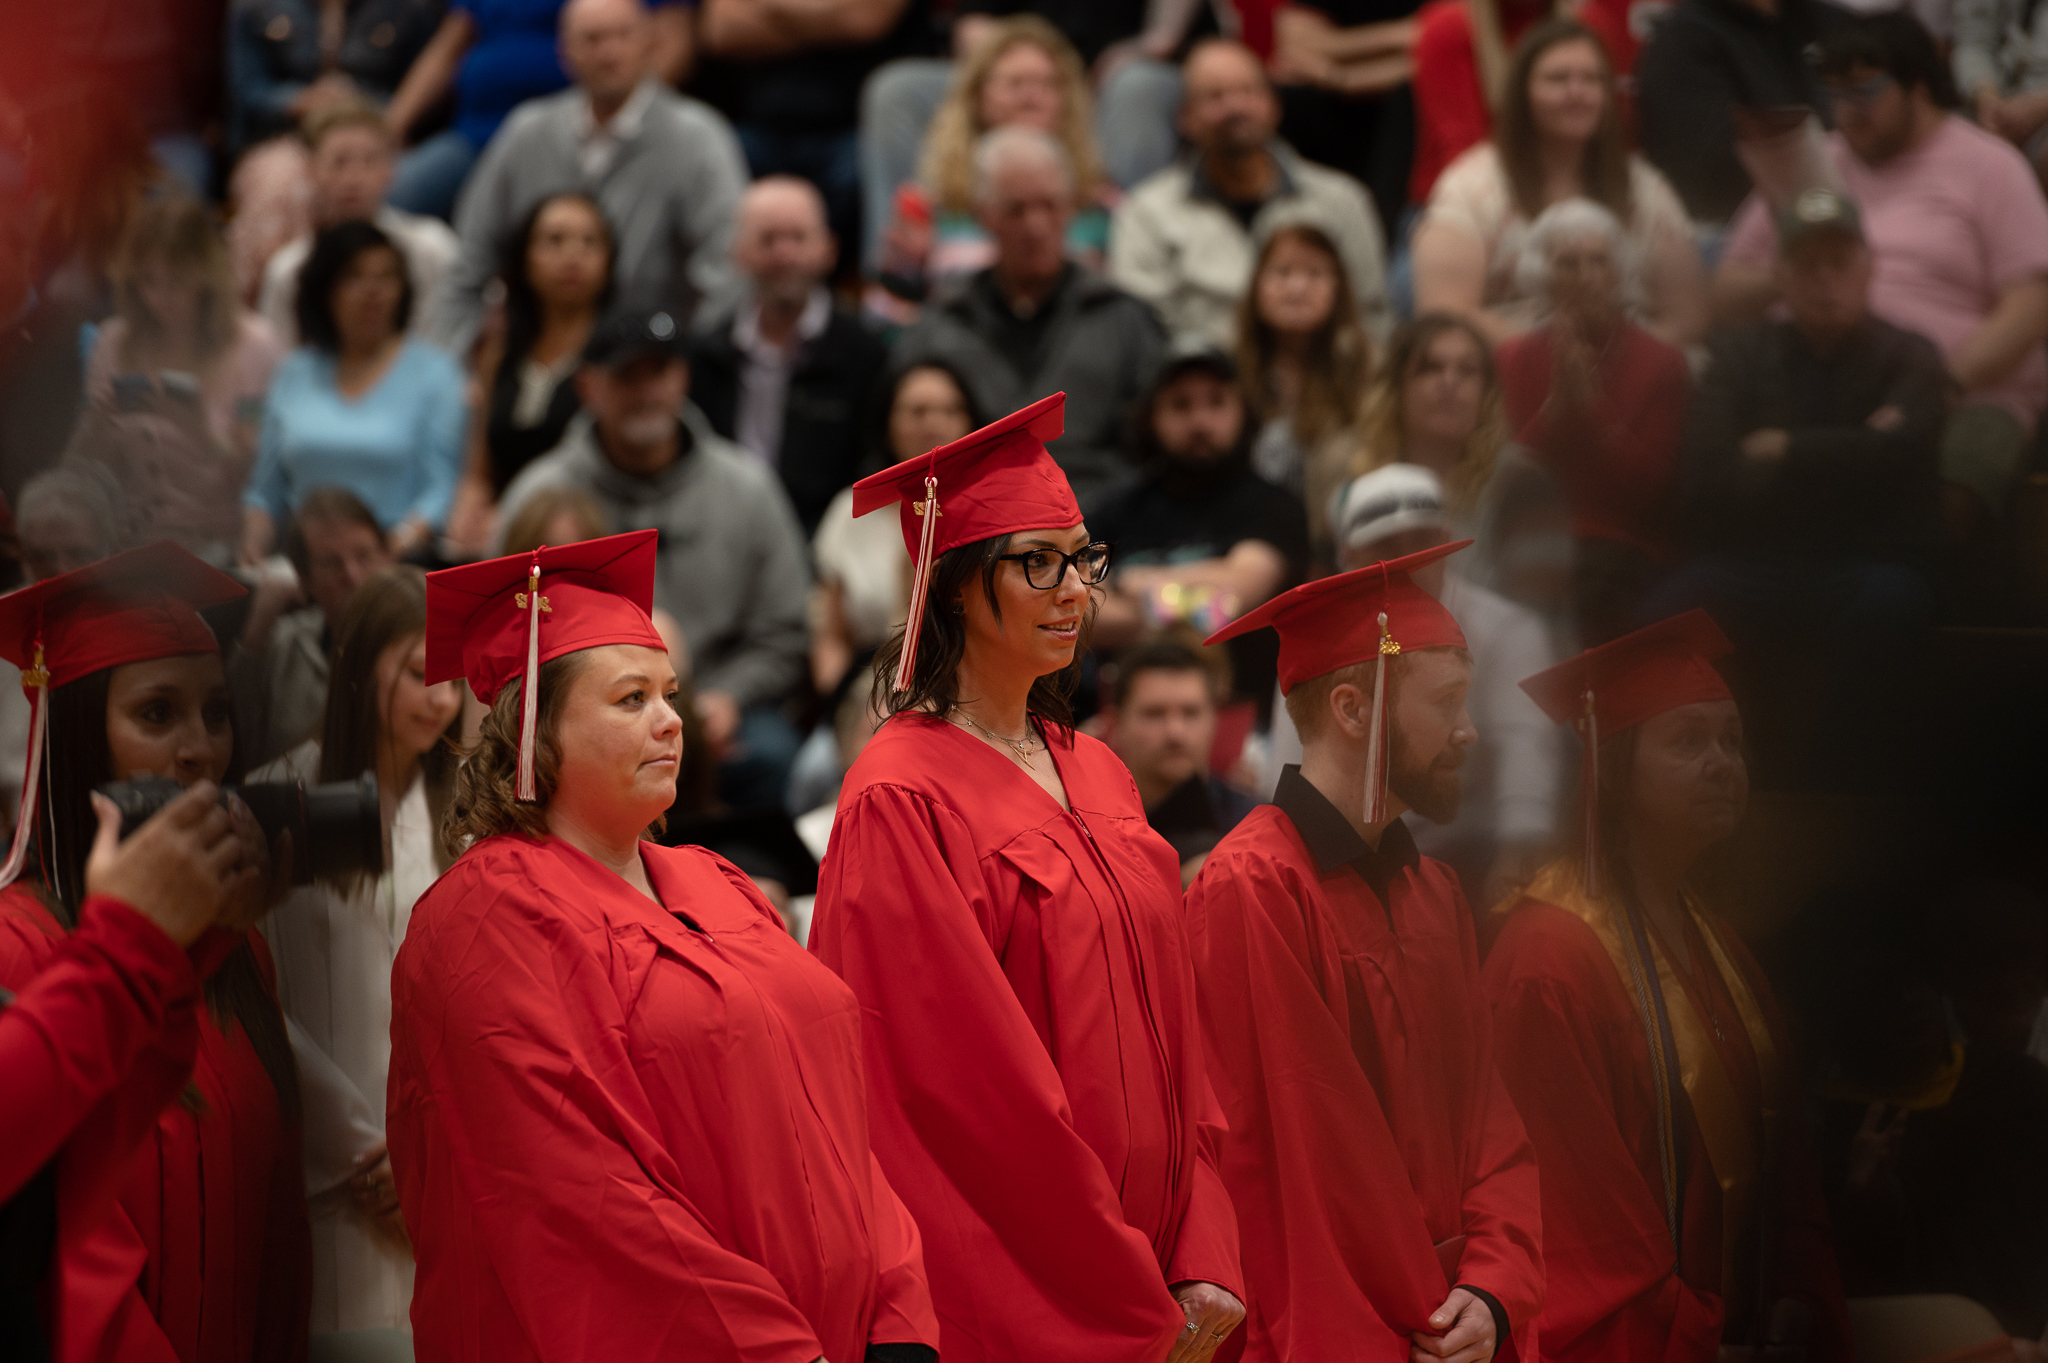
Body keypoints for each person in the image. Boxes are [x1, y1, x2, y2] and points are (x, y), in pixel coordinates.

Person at [388, 529, 939, 1360]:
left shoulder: (716, 879)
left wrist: (900, 1316)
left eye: (672, 694)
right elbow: (580, 1198)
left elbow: (841, 1119)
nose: (671, 720)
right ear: (534, 733)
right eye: (631, 699)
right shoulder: (483, 921)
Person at [811, 392, 1247, 1362]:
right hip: (1024, 1295)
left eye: (1082, 559)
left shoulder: (1098, 768)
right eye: (1035, 562)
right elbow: (964, 1097)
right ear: (959, 586)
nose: (1072, 591)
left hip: (1167, 1284)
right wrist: (1121, 1281)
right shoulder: (900, 797)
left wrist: (1204, 1243)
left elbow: (1184, 1035)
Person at [1189, 542, 1544, 1362]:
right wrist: (1424, 1318)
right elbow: (1304, 1173)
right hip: (1343, 1334)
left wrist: (1491, 1289)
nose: (1470, 729)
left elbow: (1492, 1120)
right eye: (1448, 701)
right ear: (1354, 708)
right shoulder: (1254, 889)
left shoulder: (1435, 893)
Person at [1486, 611, 1854, 1361]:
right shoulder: (1548, 959)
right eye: (1689, 741)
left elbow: (1785, 1166)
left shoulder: (1716, 942)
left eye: (1731, 739)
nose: (1723, 762)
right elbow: (1581, 1227)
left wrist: (1795, 1298)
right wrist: (1698, 1337)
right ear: (1613, 768)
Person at [0, 541, 309, 1362]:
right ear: (75, 741)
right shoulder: (21, 952)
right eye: (157, 713)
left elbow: (277, 1236)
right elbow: (65, 1256)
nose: (200, 749)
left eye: (215, 712)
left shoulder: (234, 951)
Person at [1717, 11, 2048, 535]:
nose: (1847, 112)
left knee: (1942, 500)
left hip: (1965, 391)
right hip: (1822, 383)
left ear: (1916, 84)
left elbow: (2030, 308)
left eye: (1864, 91)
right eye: (1834, 94)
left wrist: (1935, 386)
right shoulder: (1811, 165)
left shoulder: (1989, 165)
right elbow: (1725, 294)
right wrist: (1794, 271)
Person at [1669, 187, 1944, 782]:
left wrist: (1783, 448)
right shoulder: (1739, 353)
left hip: (1865, 565)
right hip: (1753, 560)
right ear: (1780, 279)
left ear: (1869, 270)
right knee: (1663, 612)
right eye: (1806, 265)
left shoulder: (1911, 357)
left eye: (1839, 264)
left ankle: (1826, 788)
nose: (1824, 280)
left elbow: (1902, 461)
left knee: (1894, 602)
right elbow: (1707, 477)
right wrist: (1853, 455)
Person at [495, 307, 811, 811]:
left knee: (771, 755)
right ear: (587, 386)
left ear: (682, 377)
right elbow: (504, 640)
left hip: (720, 700)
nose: (646, 392)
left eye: (659, 372)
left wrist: (726, 697)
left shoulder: (745, 488)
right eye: (626, 376)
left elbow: (785, 631)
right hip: (582, 713)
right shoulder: (543, 497)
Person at [255, 564, 459, 1338]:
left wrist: (422, 1156)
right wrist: (361, 1148)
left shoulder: (467, 817)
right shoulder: (278, 797)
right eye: (417, 673)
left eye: (451, 679)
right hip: (327, 1164)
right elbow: (260, 990)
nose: (440, 698)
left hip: (436, 1169)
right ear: (359, 662)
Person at [1261, 463, 1562, 908]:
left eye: (1421, 542)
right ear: (1347, 554)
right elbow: (1286, 777)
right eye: (1385, 546)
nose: (1406, 562)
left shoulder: (1508, 630)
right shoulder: (1323, 646)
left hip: (1476, 852)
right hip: (1348, 859)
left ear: (1446, 541)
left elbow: (1527, 767)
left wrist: (1516, 866)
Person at [427, 0, 748, 355]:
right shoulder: (527, 132)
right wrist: (445, 371)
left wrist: (686, 364)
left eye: (622, 36)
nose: (609, 53)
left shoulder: (698, 137)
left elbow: (729, 269)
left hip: (644, 361)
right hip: (536, 357)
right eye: (592, 40)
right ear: (564, 52)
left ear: (649, 41)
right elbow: (469, 264)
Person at [891, 126, 1165, 512]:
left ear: (1071, 208)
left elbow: (1157, 449)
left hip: (1104, 526)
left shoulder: (1124, 319)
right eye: (1015, 209)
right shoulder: (940, 325)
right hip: (973, 532)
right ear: (984, 216)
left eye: (1049, 206)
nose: (1035, 226)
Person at [1412, 20, 1705, 347]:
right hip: (1509, 368)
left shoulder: (1646, 187)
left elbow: (1686, 318)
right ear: (1522, 93)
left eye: (1592, 79)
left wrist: (1622, 370)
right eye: (1558, 79)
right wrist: (1543, 362)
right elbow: (1446, 311)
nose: (1577, 93)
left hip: (1631, 370)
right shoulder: (1470, 183)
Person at [1497, 198, 1692, 643]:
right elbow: (1505, 482)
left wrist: (1591, 410)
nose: (1585, 277)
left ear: (1620, 274)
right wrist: (1556, 411)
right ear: (1542, 278)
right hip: (1533, 537)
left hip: (1626, 544)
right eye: (1567, 263)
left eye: (1598, 261)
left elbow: (1647, 489)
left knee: (1585, 581)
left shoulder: (1662, 364)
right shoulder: (1513, 360)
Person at [1111, 40, 1388, 352]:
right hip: (1205, 387)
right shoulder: (1148, 212)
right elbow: (1140, 332)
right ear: (1184, 118)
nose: (1235, 107)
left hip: (1322, 386)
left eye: (1248, 92)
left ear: (1274, 106)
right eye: (1215, 96)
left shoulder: (1341, 202)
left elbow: (1371, 320)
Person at [243, 220, 469, 565]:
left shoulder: (436, 374)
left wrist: (381, 555)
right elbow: (264, 492)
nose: (372, 291)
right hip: (303, 565)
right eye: (355, 277)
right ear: (325, 289)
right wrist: (253, 549)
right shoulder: (294, 372)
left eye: (386, 278)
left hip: (398, 562)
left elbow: (441, 491)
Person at [1089, 338, 1310, 691]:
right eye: (1181, 405)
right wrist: (1203, 601)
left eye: (1216, 402)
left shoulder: (1274, 505)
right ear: (1152, 417)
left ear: (1244, 410)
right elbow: (1082, 616)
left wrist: (1127, 581)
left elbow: (1239, 592)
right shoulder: (1116, 512)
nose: (1200, 420)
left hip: (1247, 718)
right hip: (1129, 717)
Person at [85, 195, 285, 561]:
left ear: (206, 276)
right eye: (148, 282)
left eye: (176, 281)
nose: (160, 299)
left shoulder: (255, 346)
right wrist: (98, 424)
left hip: (219, 538)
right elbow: (90, 470)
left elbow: (260, 478)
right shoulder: (113, 342)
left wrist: (201, 435)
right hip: (128, 540)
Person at [689, 177, 891, 536]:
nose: (784, 255)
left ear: (829, 249)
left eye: (798, 238)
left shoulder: (867, 356)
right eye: (767, 239)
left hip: (830, 541)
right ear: (737, 252)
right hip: (721, 534)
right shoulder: (705, 354)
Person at [870, 17, 1116, 310]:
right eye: (1015, 84)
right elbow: (886, 317)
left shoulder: (1103, 206)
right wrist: (907, 275)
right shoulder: (928, 206)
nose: (1031, 98)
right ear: (977, 98)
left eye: (1047, 85)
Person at [381, 0, 694, 220]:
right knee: (388, 202)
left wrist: (626, 117)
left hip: (578, 143)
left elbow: (672, 43)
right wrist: (390, 129)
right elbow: (446, 50)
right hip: (475, 135)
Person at [693, 0, 936, 256]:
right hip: (760, 128)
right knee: (703, 154)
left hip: (855, 132)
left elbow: (863, 19)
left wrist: (767, 11)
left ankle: (885, 287)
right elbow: (720, 30)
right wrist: (827, 19)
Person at [810, 359, 981, 700]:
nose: (934, 424)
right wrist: (838, 702)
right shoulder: (852, 510)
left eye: (951, 410)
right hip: (867, 689)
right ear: (887, 422)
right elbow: (831, 636)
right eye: (917, 412)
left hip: (969, 687)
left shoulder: (990, 511)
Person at [256, 102, 461, 347]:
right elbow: (282, 368)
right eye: (339, 162)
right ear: (310, 171)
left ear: (390, 170)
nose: (353, 178)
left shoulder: (433, 248)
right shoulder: (289, 271)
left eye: (369, 161)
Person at [1633, 0, 1839, 225]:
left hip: (1850, 211)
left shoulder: (1824, 20)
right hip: (1741, 229)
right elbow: (1708, 185)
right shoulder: (1683, 43)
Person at [233, 487, 398, 768]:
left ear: (387, 558)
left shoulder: (420, 642)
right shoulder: (281, 645)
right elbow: (240, 752)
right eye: (332, 564)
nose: (354, 577)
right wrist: (253, 640)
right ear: (304, 578)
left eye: (364, 556)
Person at [1234, 221, 1373, 547]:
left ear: (1338, 288)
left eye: (1315, 274)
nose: (1297, 288)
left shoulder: (1368, 367)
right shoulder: (1229, 370)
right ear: (1256, 286)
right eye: (1282, 273)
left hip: (1338, 547)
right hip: (1246, 542)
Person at [1107, 631, 1260, 882]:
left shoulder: (1252, 827)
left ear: (1216, 720)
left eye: (1191, 713)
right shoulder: (1090, 828)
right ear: (1115, 724)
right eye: (1154, 713)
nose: (1175, 732)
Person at [225, 0, 444, 159]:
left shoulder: (409, 9)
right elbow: (247, 92)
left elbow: (420, 95)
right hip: (282, 138)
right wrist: (300, 100)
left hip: (377, 135)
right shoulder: (256, 7)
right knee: (281, 183)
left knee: (385, 181)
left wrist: (357, 101)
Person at [1956, 0, 2048, 179]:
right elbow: (1973, 43)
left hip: (2042, 103)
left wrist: (2041, 106)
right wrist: (1987, 97)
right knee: (1938, 142)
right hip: (1998, 97)